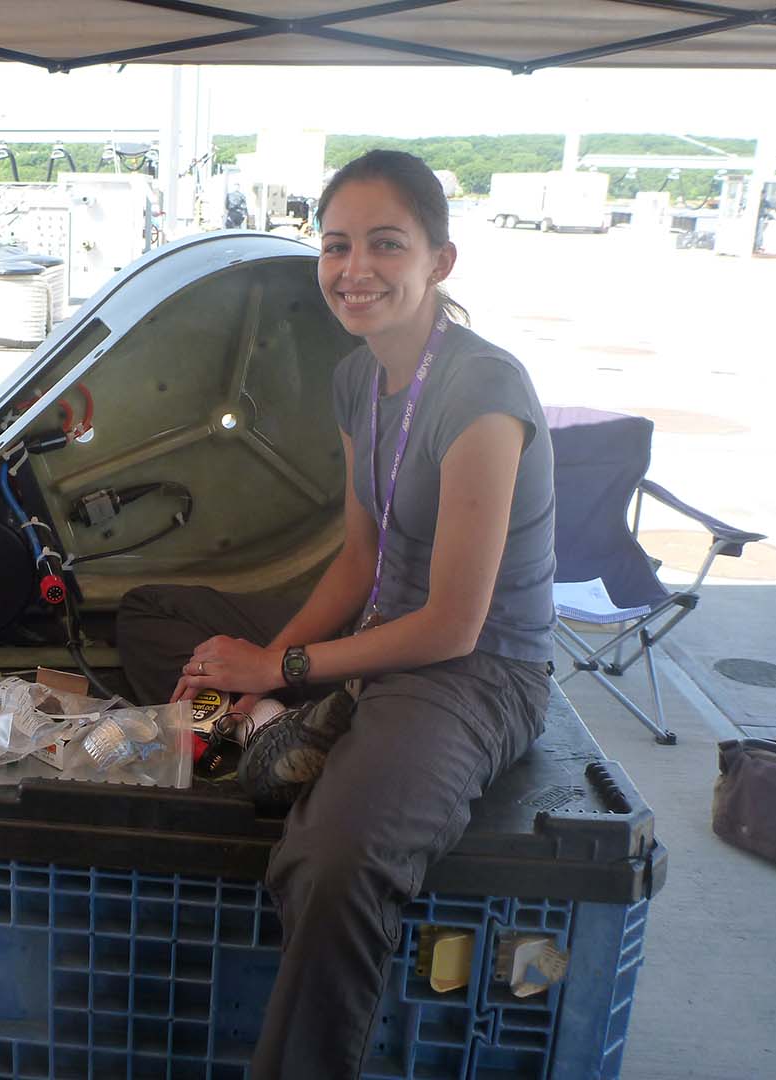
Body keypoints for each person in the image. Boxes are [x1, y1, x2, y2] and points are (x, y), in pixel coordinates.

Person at [116, 149, 555, 1079]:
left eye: (386, 244)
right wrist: (257, 661)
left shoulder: (483, 389)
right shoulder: (358, 380)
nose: (355, 269)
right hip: (373, 641)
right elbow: (360, 559)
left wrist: (280, 669)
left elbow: (454, 625)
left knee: (334, 859)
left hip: (472, 671)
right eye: (337, 245)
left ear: (440, 259)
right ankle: (276, 731)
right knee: (156, 614)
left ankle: (295, 744)